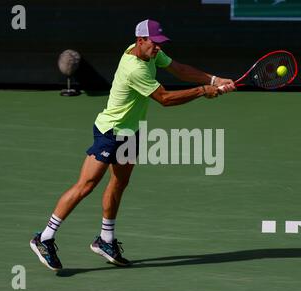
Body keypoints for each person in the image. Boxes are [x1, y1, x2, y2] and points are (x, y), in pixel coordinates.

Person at [30, 19, 235, 271]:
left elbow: (179, 69)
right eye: (154, 43)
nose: (158, 48)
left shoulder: (150, 53)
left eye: (160, 43)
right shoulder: (134, 68)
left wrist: (214, 79)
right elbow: (165, 99)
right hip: (110, 131)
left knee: (120, 182)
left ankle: (105, 240)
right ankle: (45, 238)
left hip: (130, 131)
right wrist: (203, 90)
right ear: (140, 41)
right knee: (86, 185)